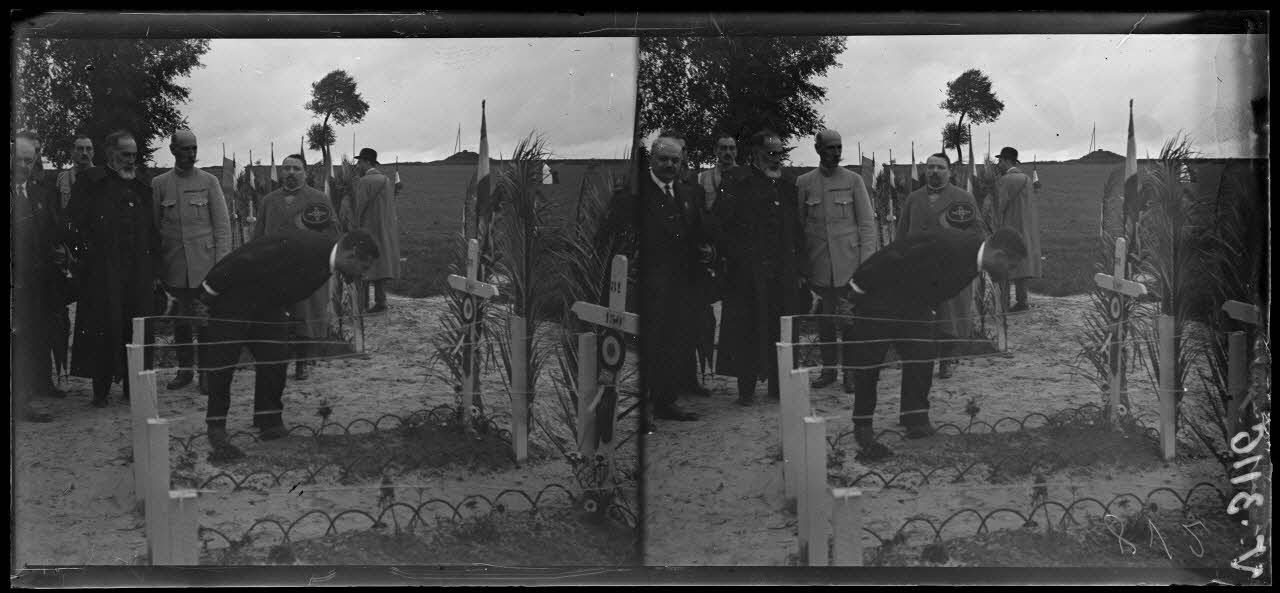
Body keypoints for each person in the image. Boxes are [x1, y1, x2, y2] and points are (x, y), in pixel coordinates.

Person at [846, 227, 1026, 460]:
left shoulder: (975, 257)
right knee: (870, 362)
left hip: (915, 304)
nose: (1010, 273)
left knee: (922, 353)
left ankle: (915, 418)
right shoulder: (953, 248)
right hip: (880, 297)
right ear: (999, 255)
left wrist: (927, 308)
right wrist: (858, 286)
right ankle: (863, 425)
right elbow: (896, 255)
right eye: (1011, 267)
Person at [198, 229, 378, 459]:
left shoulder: (327, 261)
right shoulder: (302, 246)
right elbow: (246, 258)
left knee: (275, 356)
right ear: (351, 255)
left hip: (268, 306)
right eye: (364, 267)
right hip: (233, 301)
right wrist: (208, 291)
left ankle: (269, 421)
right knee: (223, 363)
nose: (363, 275)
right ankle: (216, 426)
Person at [600, 134, 705, 423]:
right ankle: (642, 411)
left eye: (675, 160)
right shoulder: (632, 197)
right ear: (652, 160)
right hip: (647, 287)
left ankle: (665, 402)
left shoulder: (686, 194)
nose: (669, 165)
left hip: (679, 284)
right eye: (663, 159)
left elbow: (696, 233)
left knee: (672, 343)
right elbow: (608, 239)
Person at [66, 130, 160, 407]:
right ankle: (101, 389)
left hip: (137, 272)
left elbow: (152, 231)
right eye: (125, 155)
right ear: (110, 154)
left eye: (134, 155)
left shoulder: (142, 186)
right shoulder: (91, 183)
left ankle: (134, 388)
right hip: (103, 273)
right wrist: (86, 258)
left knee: (137, 328)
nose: (131, 160)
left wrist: (154, 269)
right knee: (103, 328)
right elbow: (71, 224)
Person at [714, 130, 806, 405]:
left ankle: (779, 386)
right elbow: (721, 224)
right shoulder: (737, 182)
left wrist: (800, 268)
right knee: (748, 328)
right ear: (756, 154)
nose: (775, 158)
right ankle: (747, 388)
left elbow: (796, 230)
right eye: (770, 153)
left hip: (782, 271)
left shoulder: (788, 186)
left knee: (781, 327)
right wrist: (738, 257)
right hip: (749, 272)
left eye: (779, 153)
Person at [796, 129, 879, 392]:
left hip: (849, 265)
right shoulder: (804, 183)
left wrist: (865, 265)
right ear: (818, 149)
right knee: (825, 322)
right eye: (830, 148)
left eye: (839, 148)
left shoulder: (853, 181)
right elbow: (800, 227)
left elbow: (867, 225)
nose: (836, 153)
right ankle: (828, 370)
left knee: (850, 322)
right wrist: (804, 266)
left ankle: (850, 372)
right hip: (820, 266)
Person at [151, 129, 231, 393]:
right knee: (181, 322)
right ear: (173, 150)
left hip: (205, 267)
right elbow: (155, 228)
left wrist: (220, 266)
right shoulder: (160, 184)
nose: (191, 153)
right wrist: (159, 267)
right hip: (175, 267)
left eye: (194, 148)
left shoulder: (209, 182)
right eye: (185, 149)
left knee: (206, 323)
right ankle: (184, 370)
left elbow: (222, 228)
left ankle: (206, 373)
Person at [253, 154, 340, 380]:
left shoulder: (318, 198)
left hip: (306, 269)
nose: (291, 172)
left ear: (305, 172)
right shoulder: (269, 201)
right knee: (277, 317)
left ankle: (303, 362)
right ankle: (276, 362)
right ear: (281, 172)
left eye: (296, 168)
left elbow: (333, 232)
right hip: (275, 268)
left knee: (305, 316)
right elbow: (258, 235)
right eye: (287, 168)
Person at [898, 153, 984, 379]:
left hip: (950, 268)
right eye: (930, 167)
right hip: (919, 267)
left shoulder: (963, 198)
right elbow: (902, 233)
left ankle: (948, 358)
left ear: (950, 171)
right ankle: (920, 361)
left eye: (940, 167)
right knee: (921, 316)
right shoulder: (914, 199)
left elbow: (977, 233)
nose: (934, 171)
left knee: (949, 315)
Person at [11, 134, 65, 421]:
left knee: (39, 331)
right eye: (19, 159)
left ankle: (41, 384)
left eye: (28, 161)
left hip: (39, 277)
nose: (23, 165)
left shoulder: (37, 191)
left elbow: (49, 230)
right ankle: (22, 402)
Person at [347, 147, 400, 314]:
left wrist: (354, 226)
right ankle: (381, 301)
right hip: (384, 228)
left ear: (366, 162)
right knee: (380, 265)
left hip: (368, 229)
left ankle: (362, 304)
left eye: (359, 162)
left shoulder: (364, 181)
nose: (357, 165)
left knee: (363, 265)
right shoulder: (386, 180)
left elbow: (360, 207)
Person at [992, 147, 1042, 312]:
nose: (998, 164)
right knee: (1021, 265)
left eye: (1000, 161)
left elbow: (999, 206)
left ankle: (1003, 303)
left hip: (1009, 227)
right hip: (1025, 227)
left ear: (1007, 161)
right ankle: (1022, 301)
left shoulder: (1005, 180)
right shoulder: (1026, 179)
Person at [57, 135, 95, 214]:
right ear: (72, 152)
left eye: (88, 149)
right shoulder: (62, 177)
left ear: (93, 152)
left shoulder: (103, 177)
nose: (84, 153)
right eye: (80, 149)